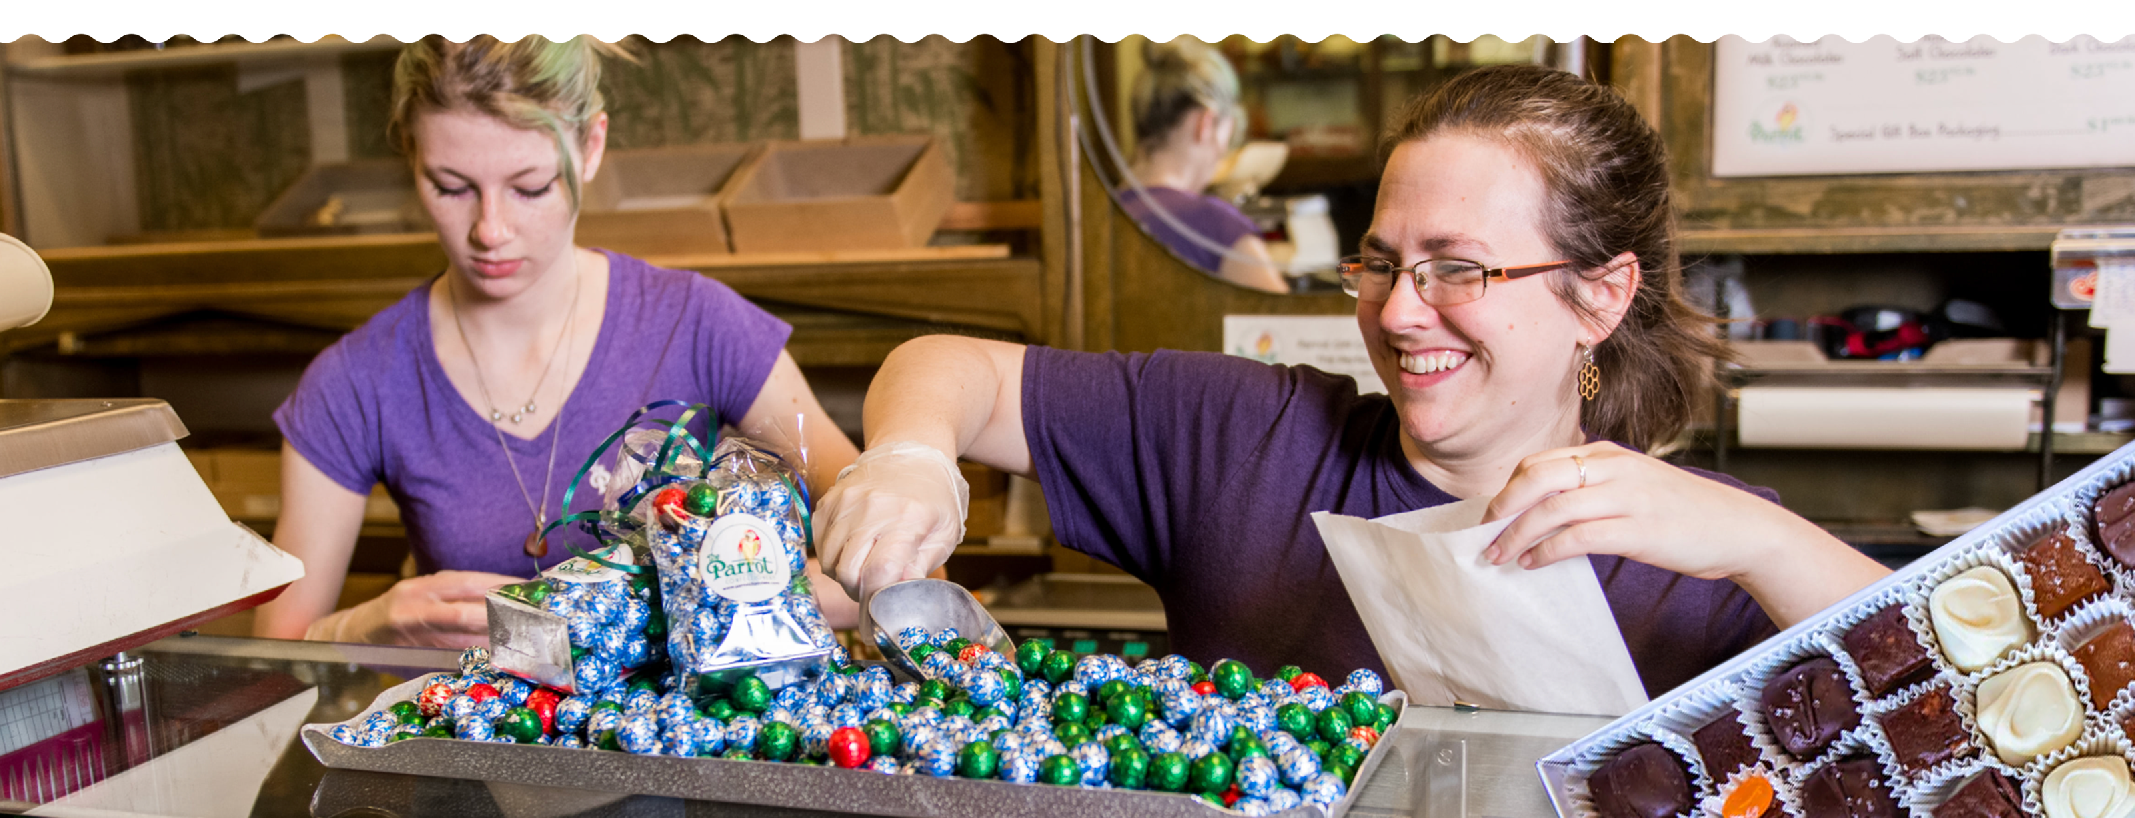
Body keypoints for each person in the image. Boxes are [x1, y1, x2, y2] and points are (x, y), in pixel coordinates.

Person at [815, 64, 1887, 698]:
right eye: (1380, 262)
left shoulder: (1709, 552)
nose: (1397, 310)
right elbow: (945, 366)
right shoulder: (1243, 438)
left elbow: (1978, 709)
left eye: (1457, 268)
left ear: (1599, 296)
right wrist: (912, 456)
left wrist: (1763, 544)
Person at [254, 36, 861, 649]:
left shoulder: (697, 323)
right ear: (412, 156)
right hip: (476, 738)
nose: (490, 230)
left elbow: (887, 568)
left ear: (591, 146)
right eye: (450, 186)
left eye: (531, 187)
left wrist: (696, 602)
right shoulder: (357, 380)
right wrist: (369, 625)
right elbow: (274, 652)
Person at [1117, 38, 1288, 294]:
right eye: (1229, 135)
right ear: (1205, 124)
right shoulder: (1216, 225)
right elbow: (1284, 328)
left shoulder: (1096, 215)